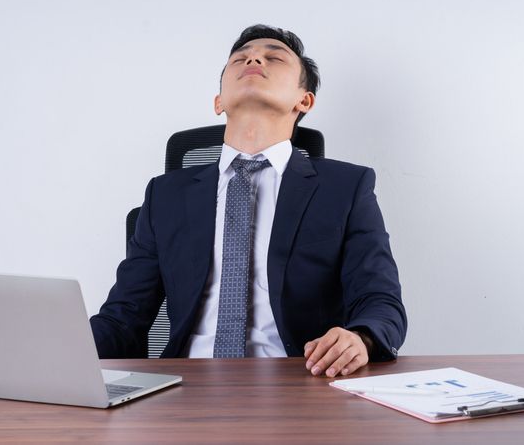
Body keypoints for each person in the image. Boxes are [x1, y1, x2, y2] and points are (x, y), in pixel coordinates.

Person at [90, 24, 407, 378]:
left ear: (304, 101)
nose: (254, 59)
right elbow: (123, 318)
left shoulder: (346, 189)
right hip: (183, 387)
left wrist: (360, 338)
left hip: (301, 383)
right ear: (219, 102)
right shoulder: (165, 195)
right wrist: (61, 347)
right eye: (240, 58)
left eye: (274, 57)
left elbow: (381, 302)